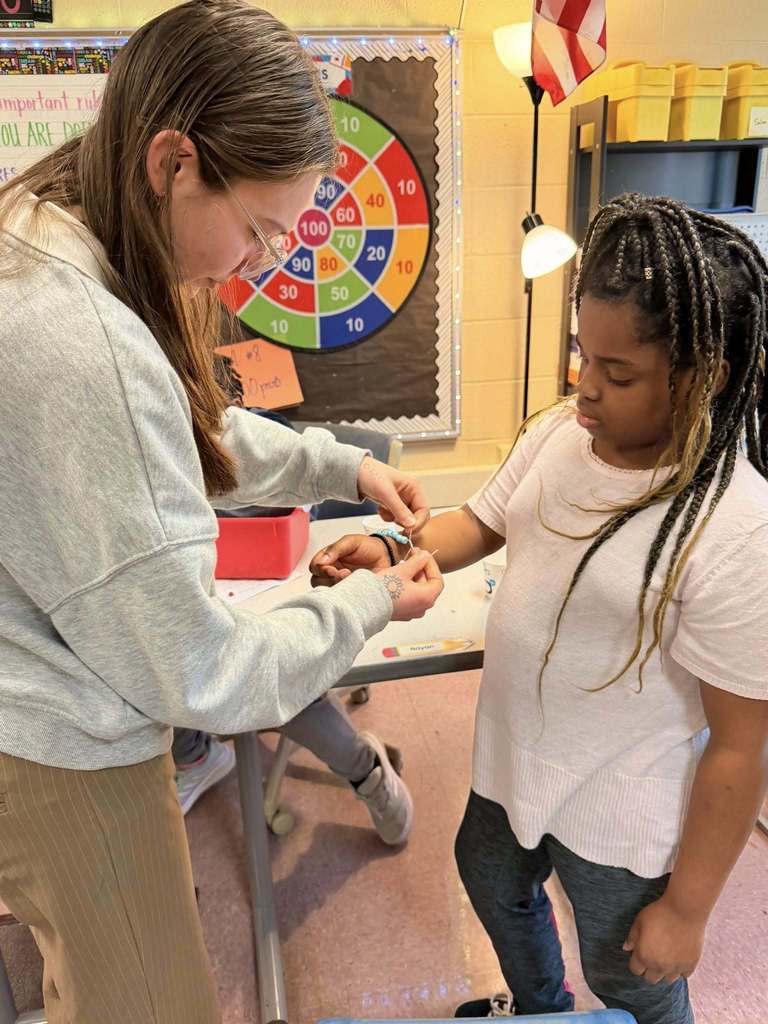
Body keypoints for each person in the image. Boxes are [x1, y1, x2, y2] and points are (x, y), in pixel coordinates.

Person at [0, 3, 443, 1022]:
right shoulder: (82, 345)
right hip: (56, 742)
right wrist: (367, 605)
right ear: (174, 161)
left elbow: (176, 430)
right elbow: (205, 672)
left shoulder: (58, 216)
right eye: (256, 229)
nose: (254, 264)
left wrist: (338, 465)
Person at [312, 194, 768, 1024]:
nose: (583, 386)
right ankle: (541, 1007)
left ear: (706, 378)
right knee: (488, 876)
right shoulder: (559, 434)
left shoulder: (734, 524)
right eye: (580, 354)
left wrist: (689, 910)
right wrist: (391, 549)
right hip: (512, 764)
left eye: (617, 372)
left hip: (617, 809)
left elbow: (739, 750)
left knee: (632, 971)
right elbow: (479, 524)